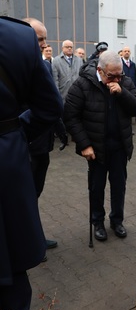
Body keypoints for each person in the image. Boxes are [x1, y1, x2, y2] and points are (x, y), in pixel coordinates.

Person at [0, 16, 63, 310]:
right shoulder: (18, 37)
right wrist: (13, 134)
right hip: (7, 160)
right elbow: (51, 107)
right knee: (13, 251)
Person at [64, 50, 136, 241]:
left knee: (119, 186)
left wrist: (122, 93)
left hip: (119, 146)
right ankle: (97, 222)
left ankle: (117, 221)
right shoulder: (83, 84)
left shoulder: (125, 83)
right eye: (111, 76)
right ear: (100, 70)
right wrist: (84, 145)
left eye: (119, 75)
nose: (116, 79)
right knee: (96, 188)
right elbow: (70, 117)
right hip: (96, 148)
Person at [23, 18, 68, 261]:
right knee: (24, 198)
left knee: (35, 194)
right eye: (39, 39)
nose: (44, 44)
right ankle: (29, 245)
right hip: (25, 146)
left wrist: (61, 131)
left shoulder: (43, 65)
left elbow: (50, 104)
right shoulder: (15, 67)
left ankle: (35, 238)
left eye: (44, 39)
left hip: (43, 146)